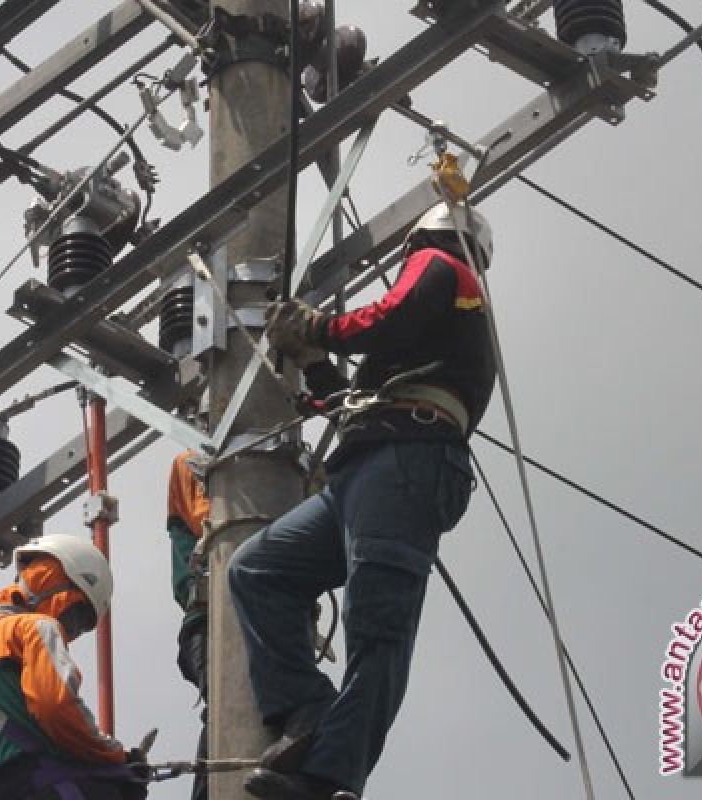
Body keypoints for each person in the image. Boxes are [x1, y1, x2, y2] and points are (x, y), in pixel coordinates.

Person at [228, 202, 497, 800]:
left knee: (376, 627)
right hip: (371, 464)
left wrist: (318, 328)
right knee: (258, 569)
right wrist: (317, 365)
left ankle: (331, 777)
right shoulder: (439, 330)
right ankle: (309, 711)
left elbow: (391, 317)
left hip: (408, 461)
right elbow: (358, 399)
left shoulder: (443, 267)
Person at [0, 534, 148, 800]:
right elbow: (55, 706)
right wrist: (117, 759)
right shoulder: (35, 628)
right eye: (80, 616)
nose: (73, 631)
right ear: (64, 588)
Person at [166, 448, 211, 800]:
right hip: (209, 622)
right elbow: (218, 521)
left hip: (273, 621)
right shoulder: (193, 462)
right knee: (228, 712)